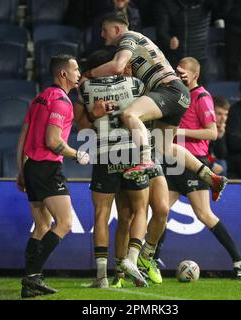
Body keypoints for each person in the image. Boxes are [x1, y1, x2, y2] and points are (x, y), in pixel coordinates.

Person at [82, 11, 228, 203]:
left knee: (130, 114)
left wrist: (88, 74)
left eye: (104, 30)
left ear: (117, 28)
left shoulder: (128, 37)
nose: (102, 35)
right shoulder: (139, 39)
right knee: (164, 145)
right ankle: (212, 177)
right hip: (179, 94)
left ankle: (144, 161)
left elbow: (118, 66)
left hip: (168, 90)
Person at [164, 57, 241, 280]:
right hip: (175, 161)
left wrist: (179, 134)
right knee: (160, 210)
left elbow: (212, 132)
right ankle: (152, 260)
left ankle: (240, 260)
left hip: (195, 162)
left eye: (183, 72)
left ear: (194, 75)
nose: (179, 74)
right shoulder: (179, 96)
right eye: (177, 71)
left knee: (204, 214)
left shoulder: (202, 97)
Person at [75, 50, 150, 288]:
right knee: (139, 210)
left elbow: (82, 128)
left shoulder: (85, 91)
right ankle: (131, 259)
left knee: (101, 215)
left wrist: (93, 113)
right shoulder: (137, 85)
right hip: (133, 151)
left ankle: (101, 277)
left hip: (105, 153)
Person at [16, 54, 89, 298]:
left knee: (42, 226)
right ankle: (33, 276)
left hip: (31, 167)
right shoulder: (62, 101)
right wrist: (76, 154)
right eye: (76, 69)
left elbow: (23, 135)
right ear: (63, 74)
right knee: (64, 223)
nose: (79, 73)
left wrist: (20, 170)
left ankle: (29, 284)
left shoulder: (39, 98)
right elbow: (53, 140)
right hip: (47, 168)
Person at [155, 0, 226, 85]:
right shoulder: (166, 3)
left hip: (199, 58)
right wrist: (168, 40)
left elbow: (224, 9)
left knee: (199, 93)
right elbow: (161, 31)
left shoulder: (206, 3)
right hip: (176, 59)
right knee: (177, 93)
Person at [208, 96, 230, 176]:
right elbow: (202, 152)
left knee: (222, 163)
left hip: (210, 157)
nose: (223, 118)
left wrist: (220, 137)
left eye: (226, 114)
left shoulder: (223, 127)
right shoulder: (204, 126)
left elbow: (222, 155)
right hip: (199, 157)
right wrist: (211, 164)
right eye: (219, 114)